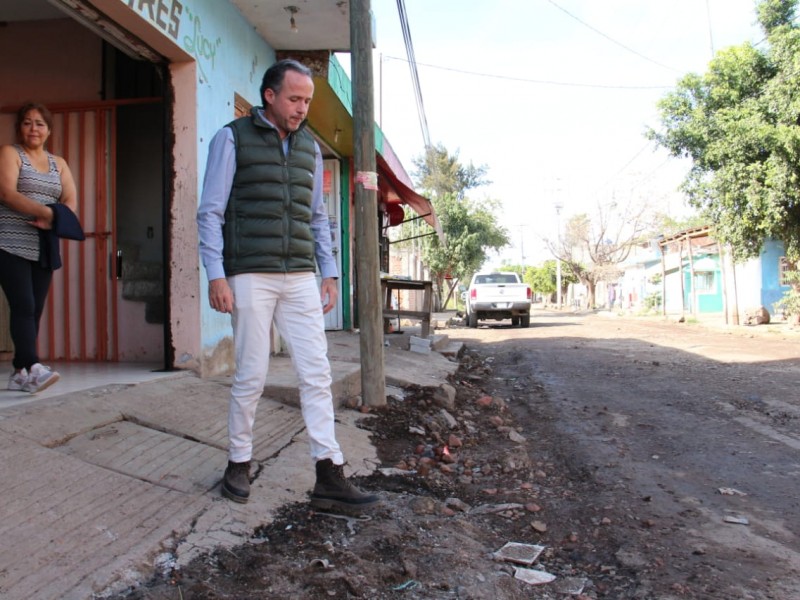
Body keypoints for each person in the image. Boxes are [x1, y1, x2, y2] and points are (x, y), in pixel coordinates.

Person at [197, 59, 380, 510]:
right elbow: (210, 212)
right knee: (252, 374)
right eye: (295, 99)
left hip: (299, 275)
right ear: (270, 96)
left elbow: (316, 216)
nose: (302, 108)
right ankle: (239, 461)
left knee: (317, 373)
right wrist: (216, 274)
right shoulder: (231, 137)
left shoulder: (310, 150)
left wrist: (330, 271)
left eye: (308, 101)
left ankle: (328, 472)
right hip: (250, 274)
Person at [0, 102, 78, 394]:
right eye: (27, 123)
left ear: (49, 130)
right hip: (8, 241)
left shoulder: (59, 163)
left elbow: (70, 200)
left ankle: (19, 371)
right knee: (23, 305)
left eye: (39, 123)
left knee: (35, 311)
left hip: (44, 245)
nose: (34, 128)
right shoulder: (10, 153)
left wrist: (55, 219)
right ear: (20, 127)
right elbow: (6, 193)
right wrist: (50, 214)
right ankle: (34, 367)